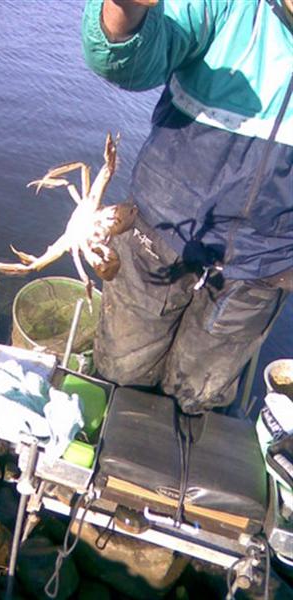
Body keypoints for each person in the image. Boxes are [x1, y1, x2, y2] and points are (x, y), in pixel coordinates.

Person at [82, 0, 293, 414]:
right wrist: (124, 11)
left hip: (265, 267)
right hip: (157, 232)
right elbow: (131, 61)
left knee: (199, 399)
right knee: (119, 374)